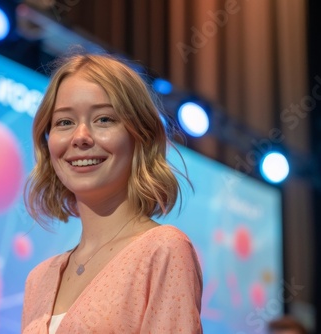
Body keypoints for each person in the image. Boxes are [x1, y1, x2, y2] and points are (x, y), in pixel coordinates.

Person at [22, 52, 203, 333]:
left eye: (104, 119)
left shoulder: (163, 249)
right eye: (64, 122)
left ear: (140, 137)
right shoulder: (38, 279)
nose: (80, 136)